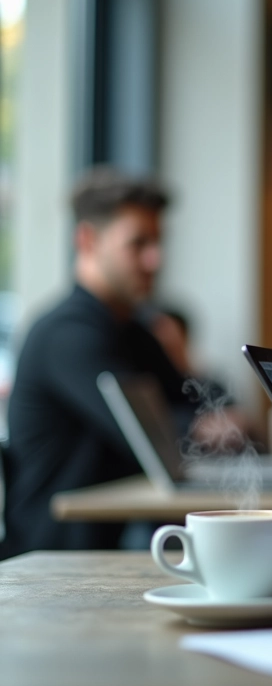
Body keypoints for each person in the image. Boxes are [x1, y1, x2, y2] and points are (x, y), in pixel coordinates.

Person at [0, 169, 200, 558]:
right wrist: (203, 426)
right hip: (52, 563)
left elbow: (194, 408)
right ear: (88, 240)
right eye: (138, 243)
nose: (154, 259)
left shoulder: (136, 331)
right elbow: (156, 432)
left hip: (119, 548)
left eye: (158, 242)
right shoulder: (64, 334)